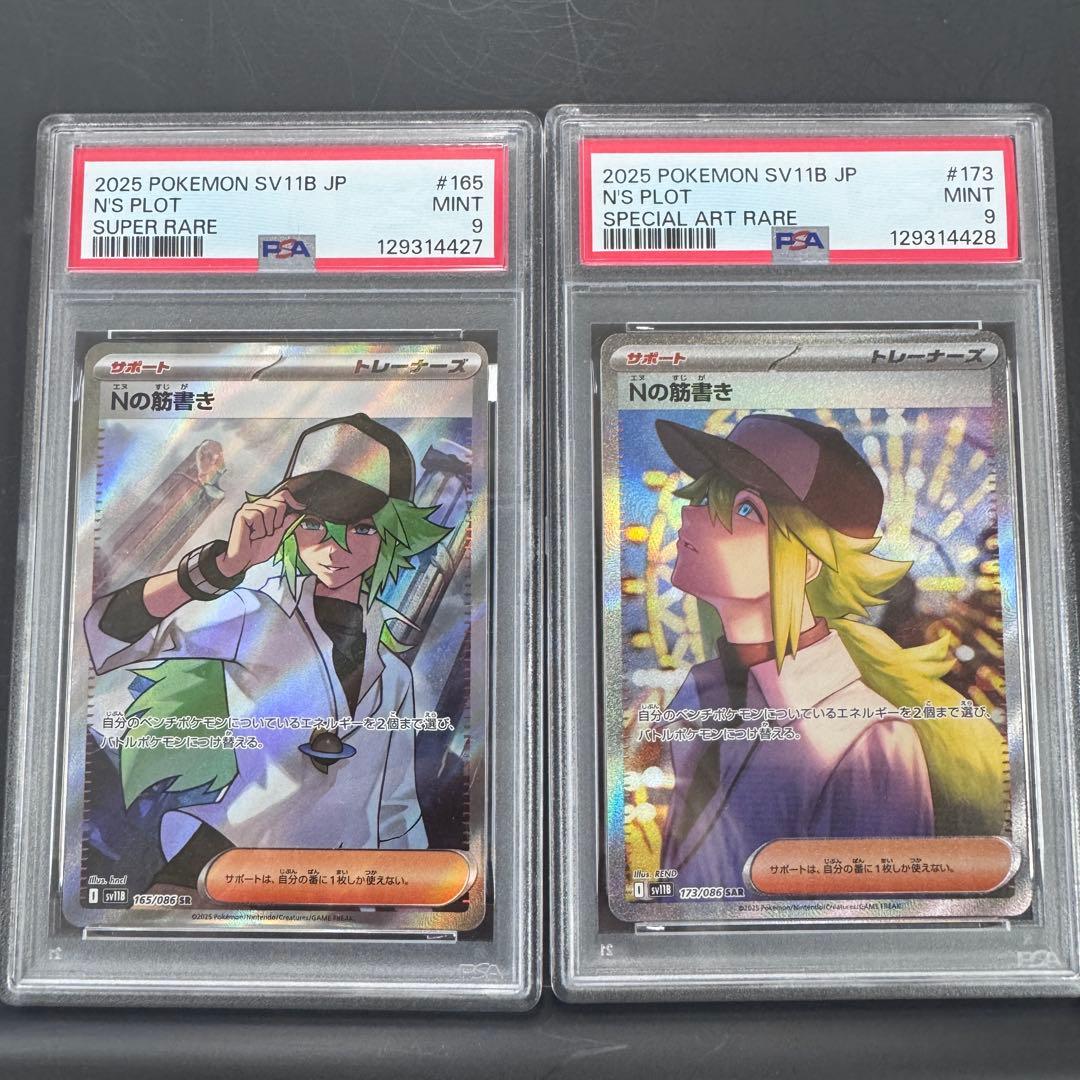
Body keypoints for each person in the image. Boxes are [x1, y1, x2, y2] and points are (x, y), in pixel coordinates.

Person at [84, 413, 451, 892]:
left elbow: (396, 809)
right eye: (315, 523)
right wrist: (223, 565)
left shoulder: (395, 677)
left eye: (362, 528)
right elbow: (106, 638)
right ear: (289, 523)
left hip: (330, 889)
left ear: (393, 535)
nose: (335, 547)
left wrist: (411, 906)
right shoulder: (252, 613)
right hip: (217, 861)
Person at [654, 413, 1008, 892]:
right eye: (704, 498)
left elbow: (877, 918)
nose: (693, 516)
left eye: (744, 509)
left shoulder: (870, 741)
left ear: (810, 562)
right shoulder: (698, 698)